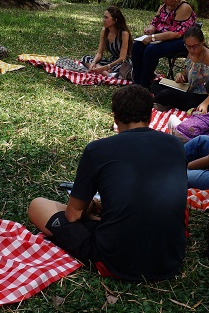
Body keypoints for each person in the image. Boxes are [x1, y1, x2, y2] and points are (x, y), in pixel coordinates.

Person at [28, 85, 187, 281]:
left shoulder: (97, 150)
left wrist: (92, 207)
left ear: (115, 119)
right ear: (151, 117)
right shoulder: (176, 145)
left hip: (116, 260)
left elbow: (72, 216)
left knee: (37, 206)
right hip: (170, 258)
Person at [131, 0, 197, 88]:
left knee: (151, 50)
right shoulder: (164, 6)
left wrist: (153, 37)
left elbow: (176, 34)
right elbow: (155, 21)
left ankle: (144, 85)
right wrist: (151, 29)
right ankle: (137, 81)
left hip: (181, 41)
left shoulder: (184, 7)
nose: (164, 0)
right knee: (137, 46)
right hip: (161, 37)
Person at [151, 25, 209, 112]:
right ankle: (168, 103)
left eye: (195, 46)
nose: (192, 50)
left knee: (167, 94)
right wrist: (180, 76)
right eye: (188, 46)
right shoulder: (190, 54)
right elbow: (185, 76)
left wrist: (205, 103)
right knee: (156, 84)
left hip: (204, 97)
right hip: (190, 90)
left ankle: (149, 103)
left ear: (202, 42)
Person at [80, 6, 132, 76]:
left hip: (122, 62)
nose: (103, 20)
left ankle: (104, 72)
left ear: (115, 20)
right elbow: (99, 53)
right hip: (111, 60)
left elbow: (122, 58)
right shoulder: (104, 31)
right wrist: (93, 63)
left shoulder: (124, 33)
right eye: (103, 17)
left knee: (124, 69)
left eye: (106, 18)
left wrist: (106, 67)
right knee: (85, 58)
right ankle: (107, 73)